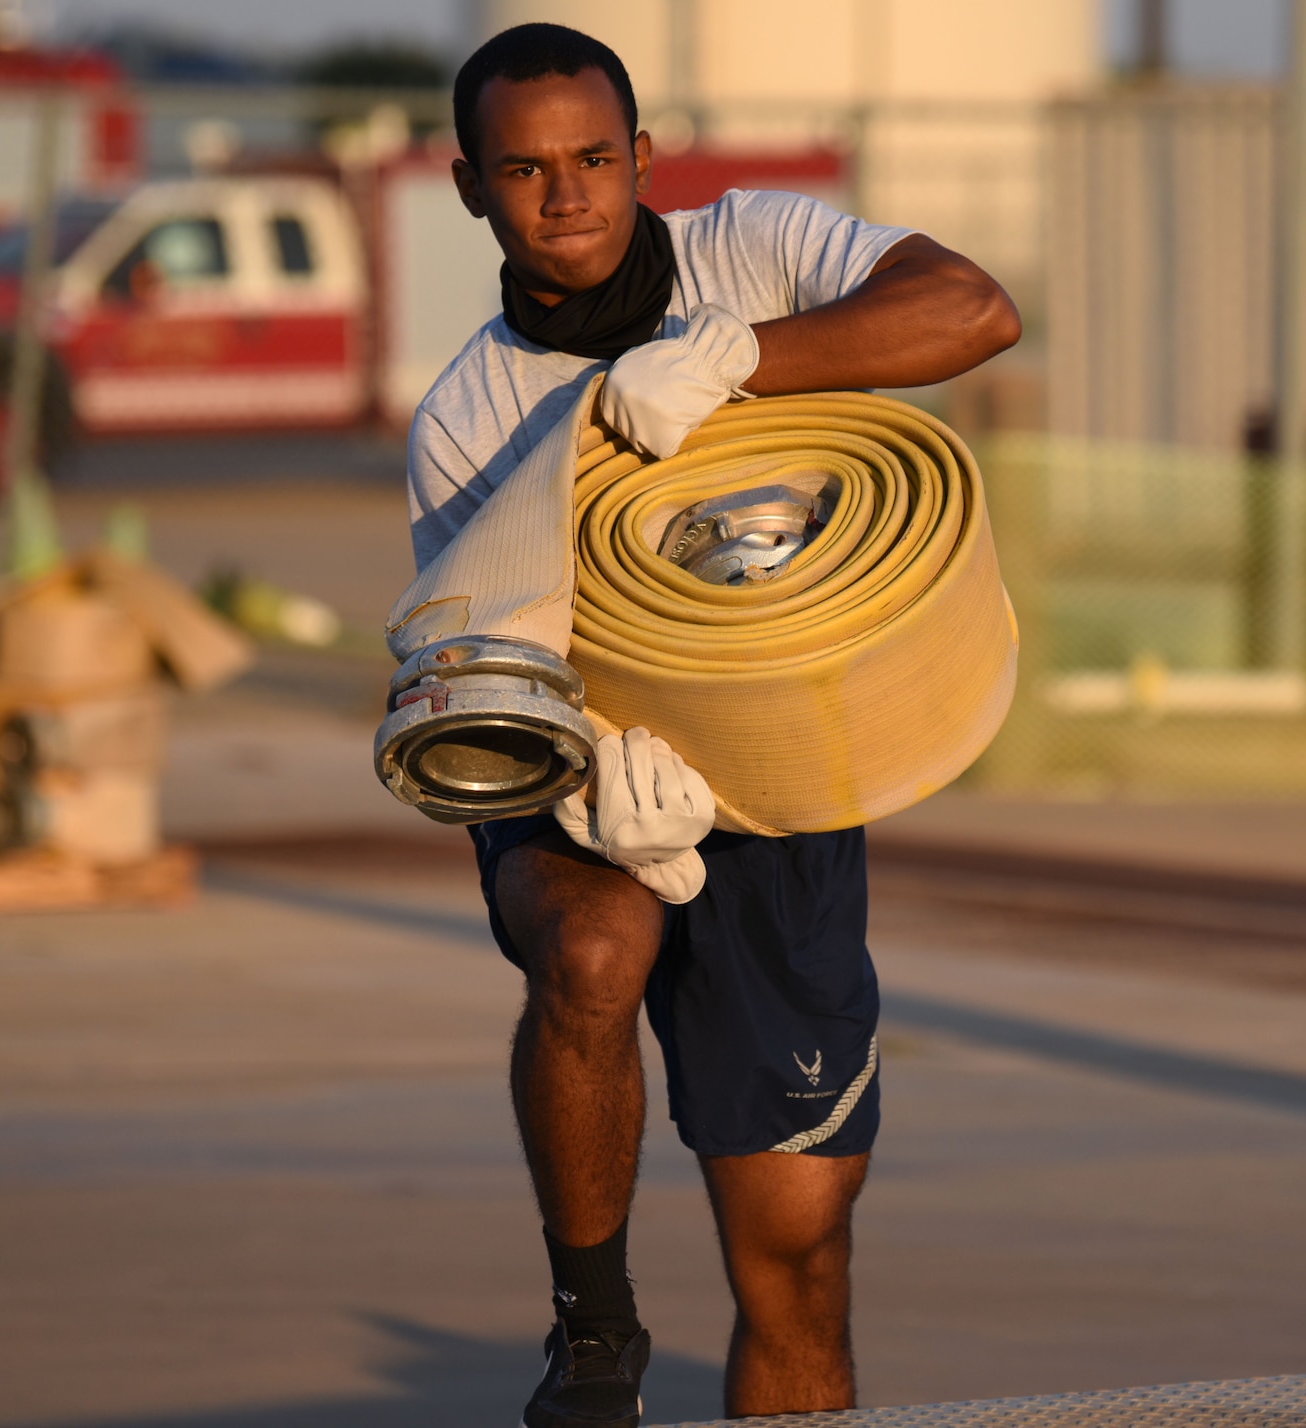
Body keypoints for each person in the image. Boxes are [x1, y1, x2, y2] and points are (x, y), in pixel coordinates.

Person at [409, 23, 1020, 1426]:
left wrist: (738, 359)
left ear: (642, 158)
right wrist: (582, 803)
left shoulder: (753, 249)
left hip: (783, 773)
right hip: (590, 770)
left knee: (796, 1258)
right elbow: (474, 685)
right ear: (467, 189)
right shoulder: (465, 415)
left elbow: (976, 313)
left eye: (594, 159)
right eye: (523, 169)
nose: (567, 196)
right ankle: (596, 1328)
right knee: (597, 943)